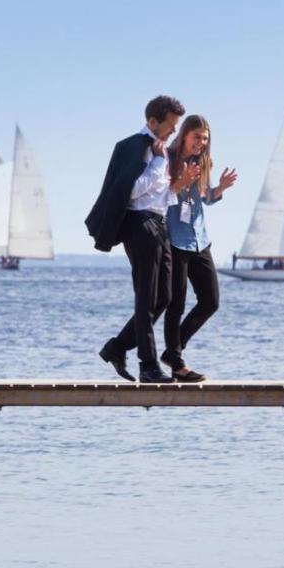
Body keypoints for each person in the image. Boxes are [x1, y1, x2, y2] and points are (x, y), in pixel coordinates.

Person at [85, 95, 186, 384]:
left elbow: (160, 195)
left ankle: (117, 347)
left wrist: (176, 184)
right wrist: (156, 164)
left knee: (163, 297)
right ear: (153, 122)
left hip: (158, 222)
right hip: (140, 225)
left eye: (176, 127)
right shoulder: (138, 147)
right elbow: (129, 191)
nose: (173, 132)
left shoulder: (159, 150)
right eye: (170, 126)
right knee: (145, 299)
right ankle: (148, 366)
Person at [161, 115, 238, 382]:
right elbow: (163, 194)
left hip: (199, 239)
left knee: (211, 301)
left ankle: (173, 350)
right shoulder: (167, 158)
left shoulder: (203, 161)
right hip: (174, 239)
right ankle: (177, 362)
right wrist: (181, 181)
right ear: (184, 135)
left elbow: (205, 198)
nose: (201, 143)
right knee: (176, 303)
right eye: (197, 137)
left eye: (205, 139)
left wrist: (220, 189)